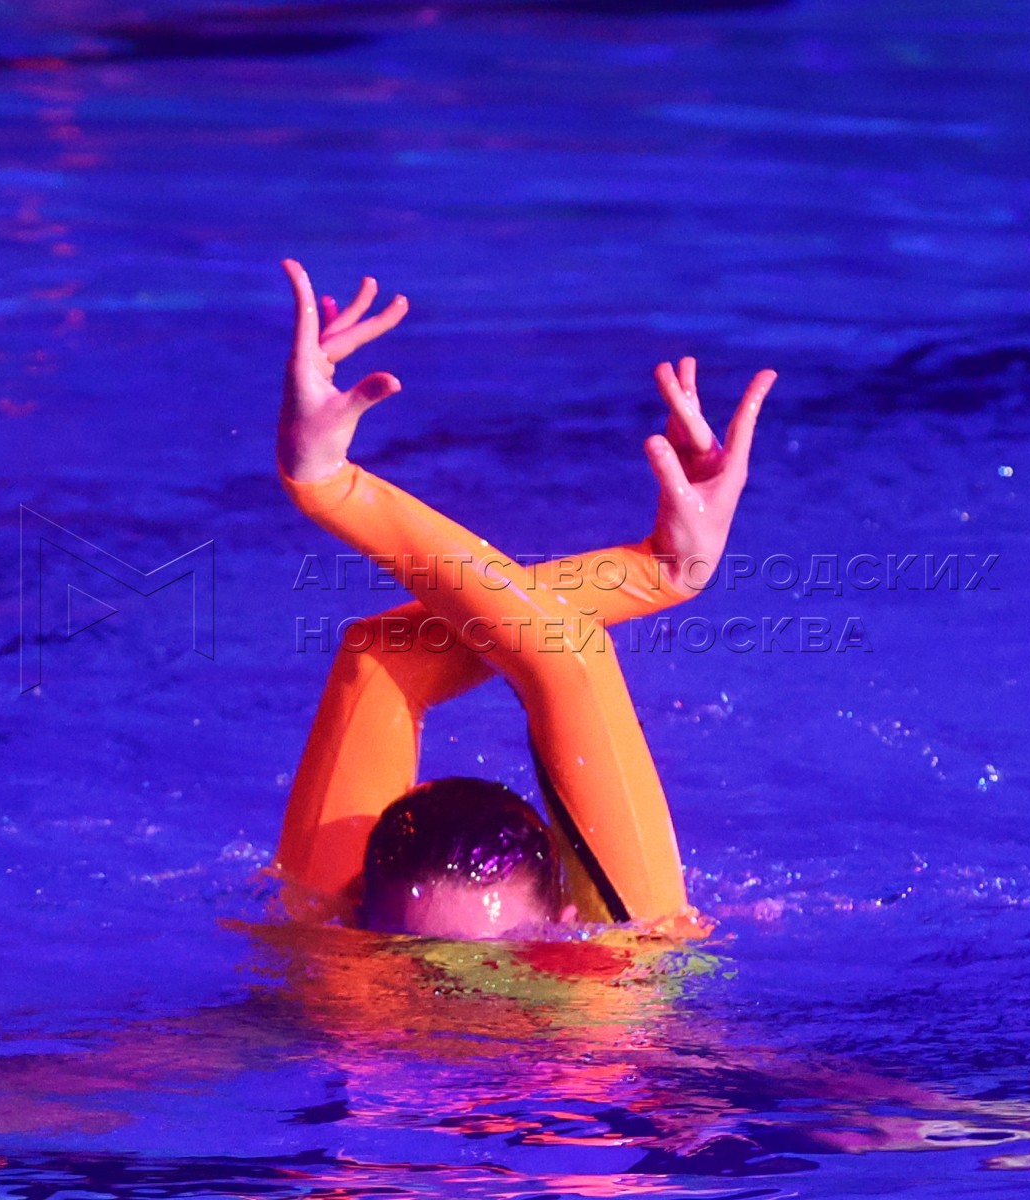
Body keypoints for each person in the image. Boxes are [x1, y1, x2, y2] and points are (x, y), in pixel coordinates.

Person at [271, 258, 776, 940]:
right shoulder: (629, 966)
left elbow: (389, 656)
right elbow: (559, 653)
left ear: (562, 927)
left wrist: (325, 485)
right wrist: (658, 573)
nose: (452, 996)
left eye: (489, 961)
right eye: (414, 957)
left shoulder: (603, 996)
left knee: (384, 654)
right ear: (359, 918)